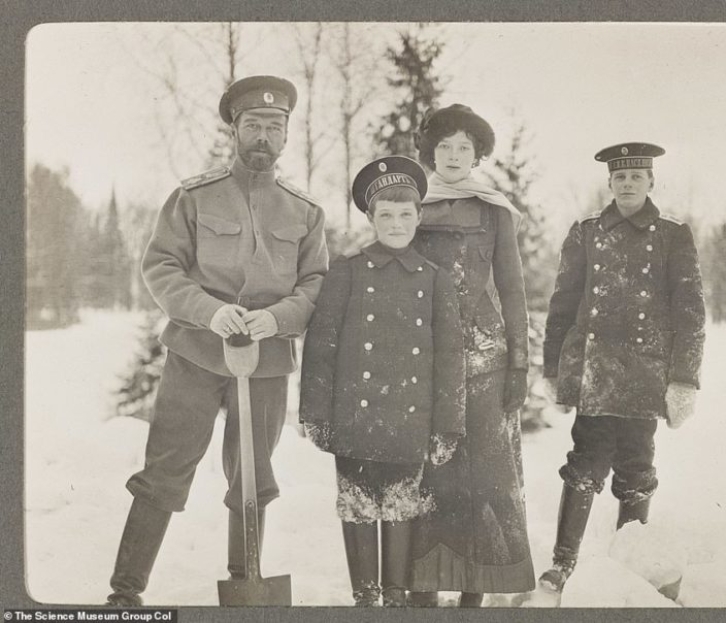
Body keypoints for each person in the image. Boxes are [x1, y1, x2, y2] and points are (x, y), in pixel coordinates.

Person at [105, 75, 329, 606]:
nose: (263, 137)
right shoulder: (194, 196)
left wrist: (275, 318)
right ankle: (124, 593)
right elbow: (161, 265)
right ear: (235, 129)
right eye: (253, 125)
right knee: (165, 470)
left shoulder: (304, 211)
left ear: (287, 136)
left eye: (275, 128)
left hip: (268, 361)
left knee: (253, 477)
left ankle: (245, 586)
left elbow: (316, 282)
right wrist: (211, 312)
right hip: (196, 355)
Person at [540, 142, 705, 600]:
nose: (628, 184)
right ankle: (562, 564)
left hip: (644, 377)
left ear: (651, 181)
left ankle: (628, 569)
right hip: (595, 376)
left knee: (636, 468)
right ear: (609, 183)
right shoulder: (587, 232)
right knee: (583, 466)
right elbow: (563, 303)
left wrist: (684, 379)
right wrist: (554, 367)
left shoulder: (673, 234)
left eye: (636, 176)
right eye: (620, 177)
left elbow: (690, 312)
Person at [299, 156, 466, 607]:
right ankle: (365, 597)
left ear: (419, 218)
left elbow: (451, 360)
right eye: (386, 215)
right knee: (356, 506)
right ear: (371, 218)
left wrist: (448, 426)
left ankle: (394, 597)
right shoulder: (347, 273)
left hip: (411, 423)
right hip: (354, 420)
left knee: (399, 507)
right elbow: (320, 351)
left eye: (405, 214)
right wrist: (315, 415)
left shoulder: (435, 281)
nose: (396, 224)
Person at [406, 104, 536, 607]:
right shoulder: (410, 204)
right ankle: (421, 587)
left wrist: (520, 363)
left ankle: (473, 594)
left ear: (478, 154)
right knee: (427, 472)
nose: (455, 156)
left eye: (465, 147)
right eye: (445, 147)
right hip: (424, 359)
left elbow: (512, 288)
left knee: (484, 475)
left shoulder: (495, 210)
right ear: (430, 152)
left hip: (485, 361)